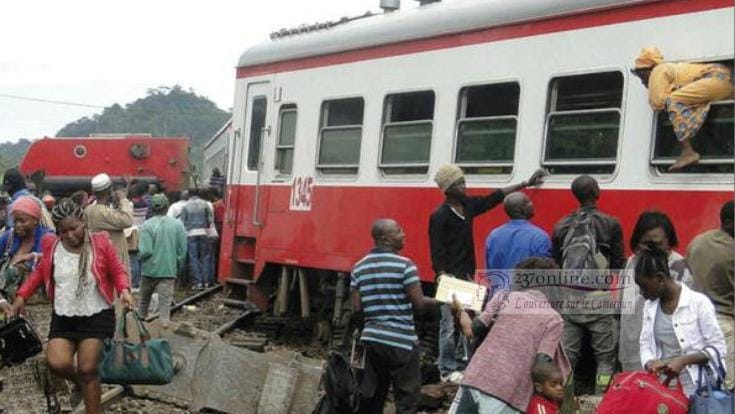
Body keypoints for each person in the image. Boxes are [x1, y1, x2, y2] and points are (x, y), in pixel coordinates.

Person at [12, 198, 134, 414]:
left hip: (96, 314)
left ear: (83, 221)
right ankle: (83, 384)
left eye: (73, 228)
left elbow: (117, 270)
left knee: (88, 368)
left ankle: (92, 404)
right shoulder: (52, 245)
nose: (69, 235)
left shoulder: (101, 242)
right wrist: (22, 295)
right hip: (64, 315)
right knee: (56, 362)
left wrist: (124, 290)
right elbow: (40, 273)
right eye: (63, 231)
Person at [429, 164, 545, 383]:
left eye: (463, 181)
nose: (464, 186)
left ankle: (465, 365)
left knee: (469, 321)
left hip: (467, 275)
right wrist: (442, 276)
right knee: (448, 325)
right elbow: (436, 251)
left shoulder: (467, 206)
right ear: (447, 188)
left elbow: (495, 198)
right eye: (458, 183)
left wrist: (525, 184)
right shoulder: (440, 216)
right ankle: (446, 369)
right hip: (450, 277)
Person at [450, 257, 571, 414]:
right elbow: (542, 364)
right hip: (509, 393)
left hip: (476, 378)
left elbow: (471, 332)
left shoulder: (504, 296)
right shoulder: (554, 319)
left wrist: (460, 311)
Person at [352, 218, 439, 414]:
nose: (404, 235)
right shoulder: (405, 266)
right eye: (399, 231)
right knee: (406, 400)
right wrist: (445, 301)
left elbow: (357, 309)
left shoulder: (359, 267)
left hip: (371, 340)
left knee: (372, 397)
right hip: (402, 343)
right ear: (385, 238)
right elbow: (420, 305)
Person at [551, 175, 624, 394]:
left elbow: (556, 264)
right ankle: (601, 397)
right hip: (598, 300)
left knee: (568, 359)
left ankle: (566, 401)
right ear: (595, 192)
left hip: (569, 300)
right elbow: (618, 265)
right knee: (605, 358)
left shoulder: (561, 225)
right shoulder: (611, 223)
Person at [637, 243, 726, 396]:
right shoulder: (649, 307)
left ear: (660, 278)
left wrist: (683, 360)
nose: (641, 292)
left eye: (644, 286)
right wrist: (650, 362)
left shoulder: (698, 303)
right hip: (664, 390)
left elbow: (718, 348)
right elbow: (645, 343)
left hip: (699, 390)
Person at [631, 47, 734, 170]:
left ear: (647, 71)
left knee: (673, 101)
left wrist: (668, 93)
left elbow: (658, 102)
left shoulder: (658, 71)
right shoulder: (674, 70)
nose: (642, 82)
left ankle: (688, 152)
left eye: (641, 75)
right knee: (684, 101)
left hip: (716, 79)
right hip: (725, 80)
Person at [618, 211, 693, 372]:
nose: (651, 248)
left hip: (665, 358)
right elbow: (622, 307)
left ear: (668, 241)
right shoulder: (631, 262)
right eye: (646, 243)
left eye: (657, 244)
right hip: (631, 351)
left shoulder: (678, 267)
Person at [686, 200, 734, 389]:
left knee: (703, 384)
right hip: (726, 323)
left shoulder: (698, 241)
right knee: (727, 386)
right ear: (729, 222)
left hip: (697, 321)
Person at [485, 192, 551, 296]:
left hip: (498, 299)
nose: (532, 204)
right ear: (522, 209)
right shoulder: (540, 237)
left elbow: (490, 272)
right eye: (528, 202)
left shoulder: (493, 235)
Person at [137, 194, 187, 321]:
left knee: (143, 303)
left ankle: (140, 330)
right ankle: (163, 332)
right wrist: (177, 265)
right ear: (167, 206)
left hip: (149, 271)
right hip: (168, 271)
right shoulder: (177, 225)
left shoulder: (147, 225)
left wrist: (139, 258)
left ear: (153, 208)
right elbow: (182, 251)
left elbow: (146, 251)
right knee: (165, 306)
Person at [0, 196, 53, 298]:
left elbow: (55, 258)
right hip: (10, 302)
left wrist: (31, 256)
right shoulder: (9, 237)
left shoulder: (48, 238)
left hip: (40, 304)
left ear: (35, 220)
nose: (18, 225)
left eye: (22, 221)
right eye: (15, 221)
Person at [84, 173, 134, 276]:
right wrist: (123, 199)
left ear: (93, 192)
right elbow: (127, 220)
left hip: (98, 260)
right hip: (113, 264)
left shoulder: (88, 210)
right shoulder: (102, 212)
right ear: (110, 190)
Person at [180, 189, 214, 290]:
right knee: (205, 257)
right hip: (204, 232)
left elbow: (183, 222)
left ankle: (198, 282)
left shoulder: (185, 206)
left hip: (191, 234)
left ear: (189, 195)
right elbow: (210, 220)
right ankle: (206, 281)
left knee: (193, 257)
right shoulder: (205, 204)